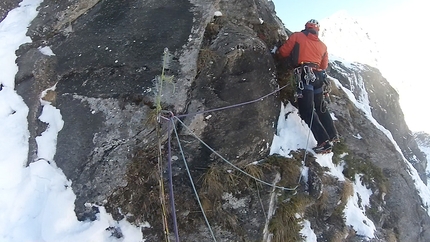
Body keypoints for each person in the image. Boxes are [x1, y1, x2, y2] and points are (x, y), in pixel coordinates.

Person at [276, 19, 339, 154]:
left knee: (307, 110)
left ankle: (323, 141)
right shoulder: (323, 46)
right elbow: (323, 66)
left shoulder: (297, 36)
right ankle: (332, 135)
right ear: (317, 30)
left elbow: (283, 52)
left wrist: (277, 55)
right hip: (318, 78)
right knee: (320, 107)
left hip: (304, 76)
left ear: (306, 27)